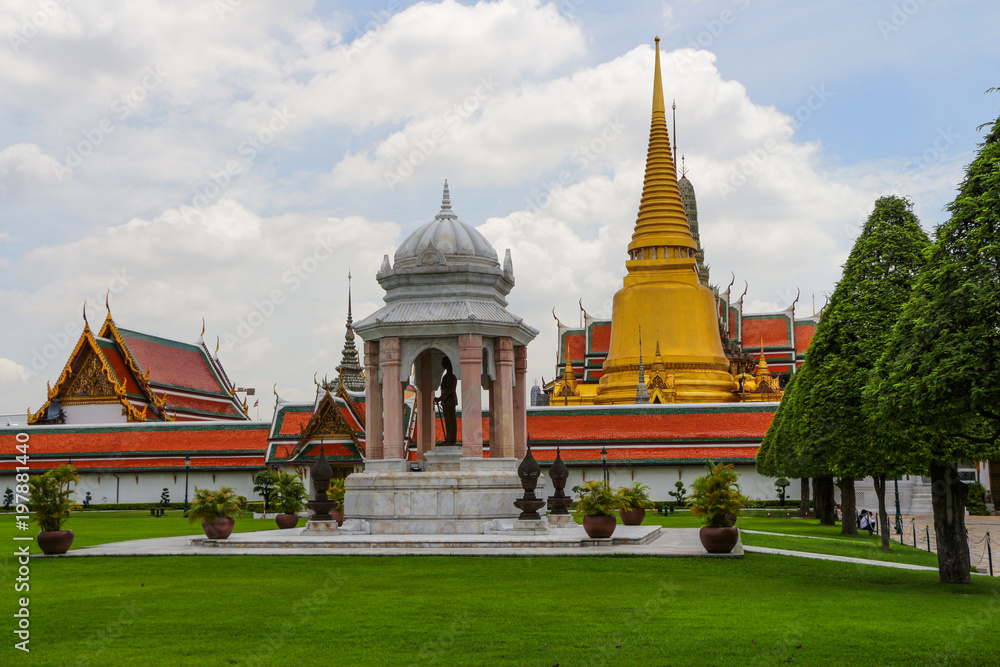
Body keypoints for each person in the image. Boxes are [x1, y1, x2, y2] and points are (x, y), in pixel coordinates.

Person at [435, 356, 458, 445]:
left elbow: (450, 390)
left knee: (451, 420)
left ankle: (451, 438)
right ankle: (449, 437)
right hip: (446, 402)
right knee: (448, 420)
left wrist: (440, 398)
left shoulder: (451, 377)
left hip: (450, 402)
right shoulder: (446, 376)